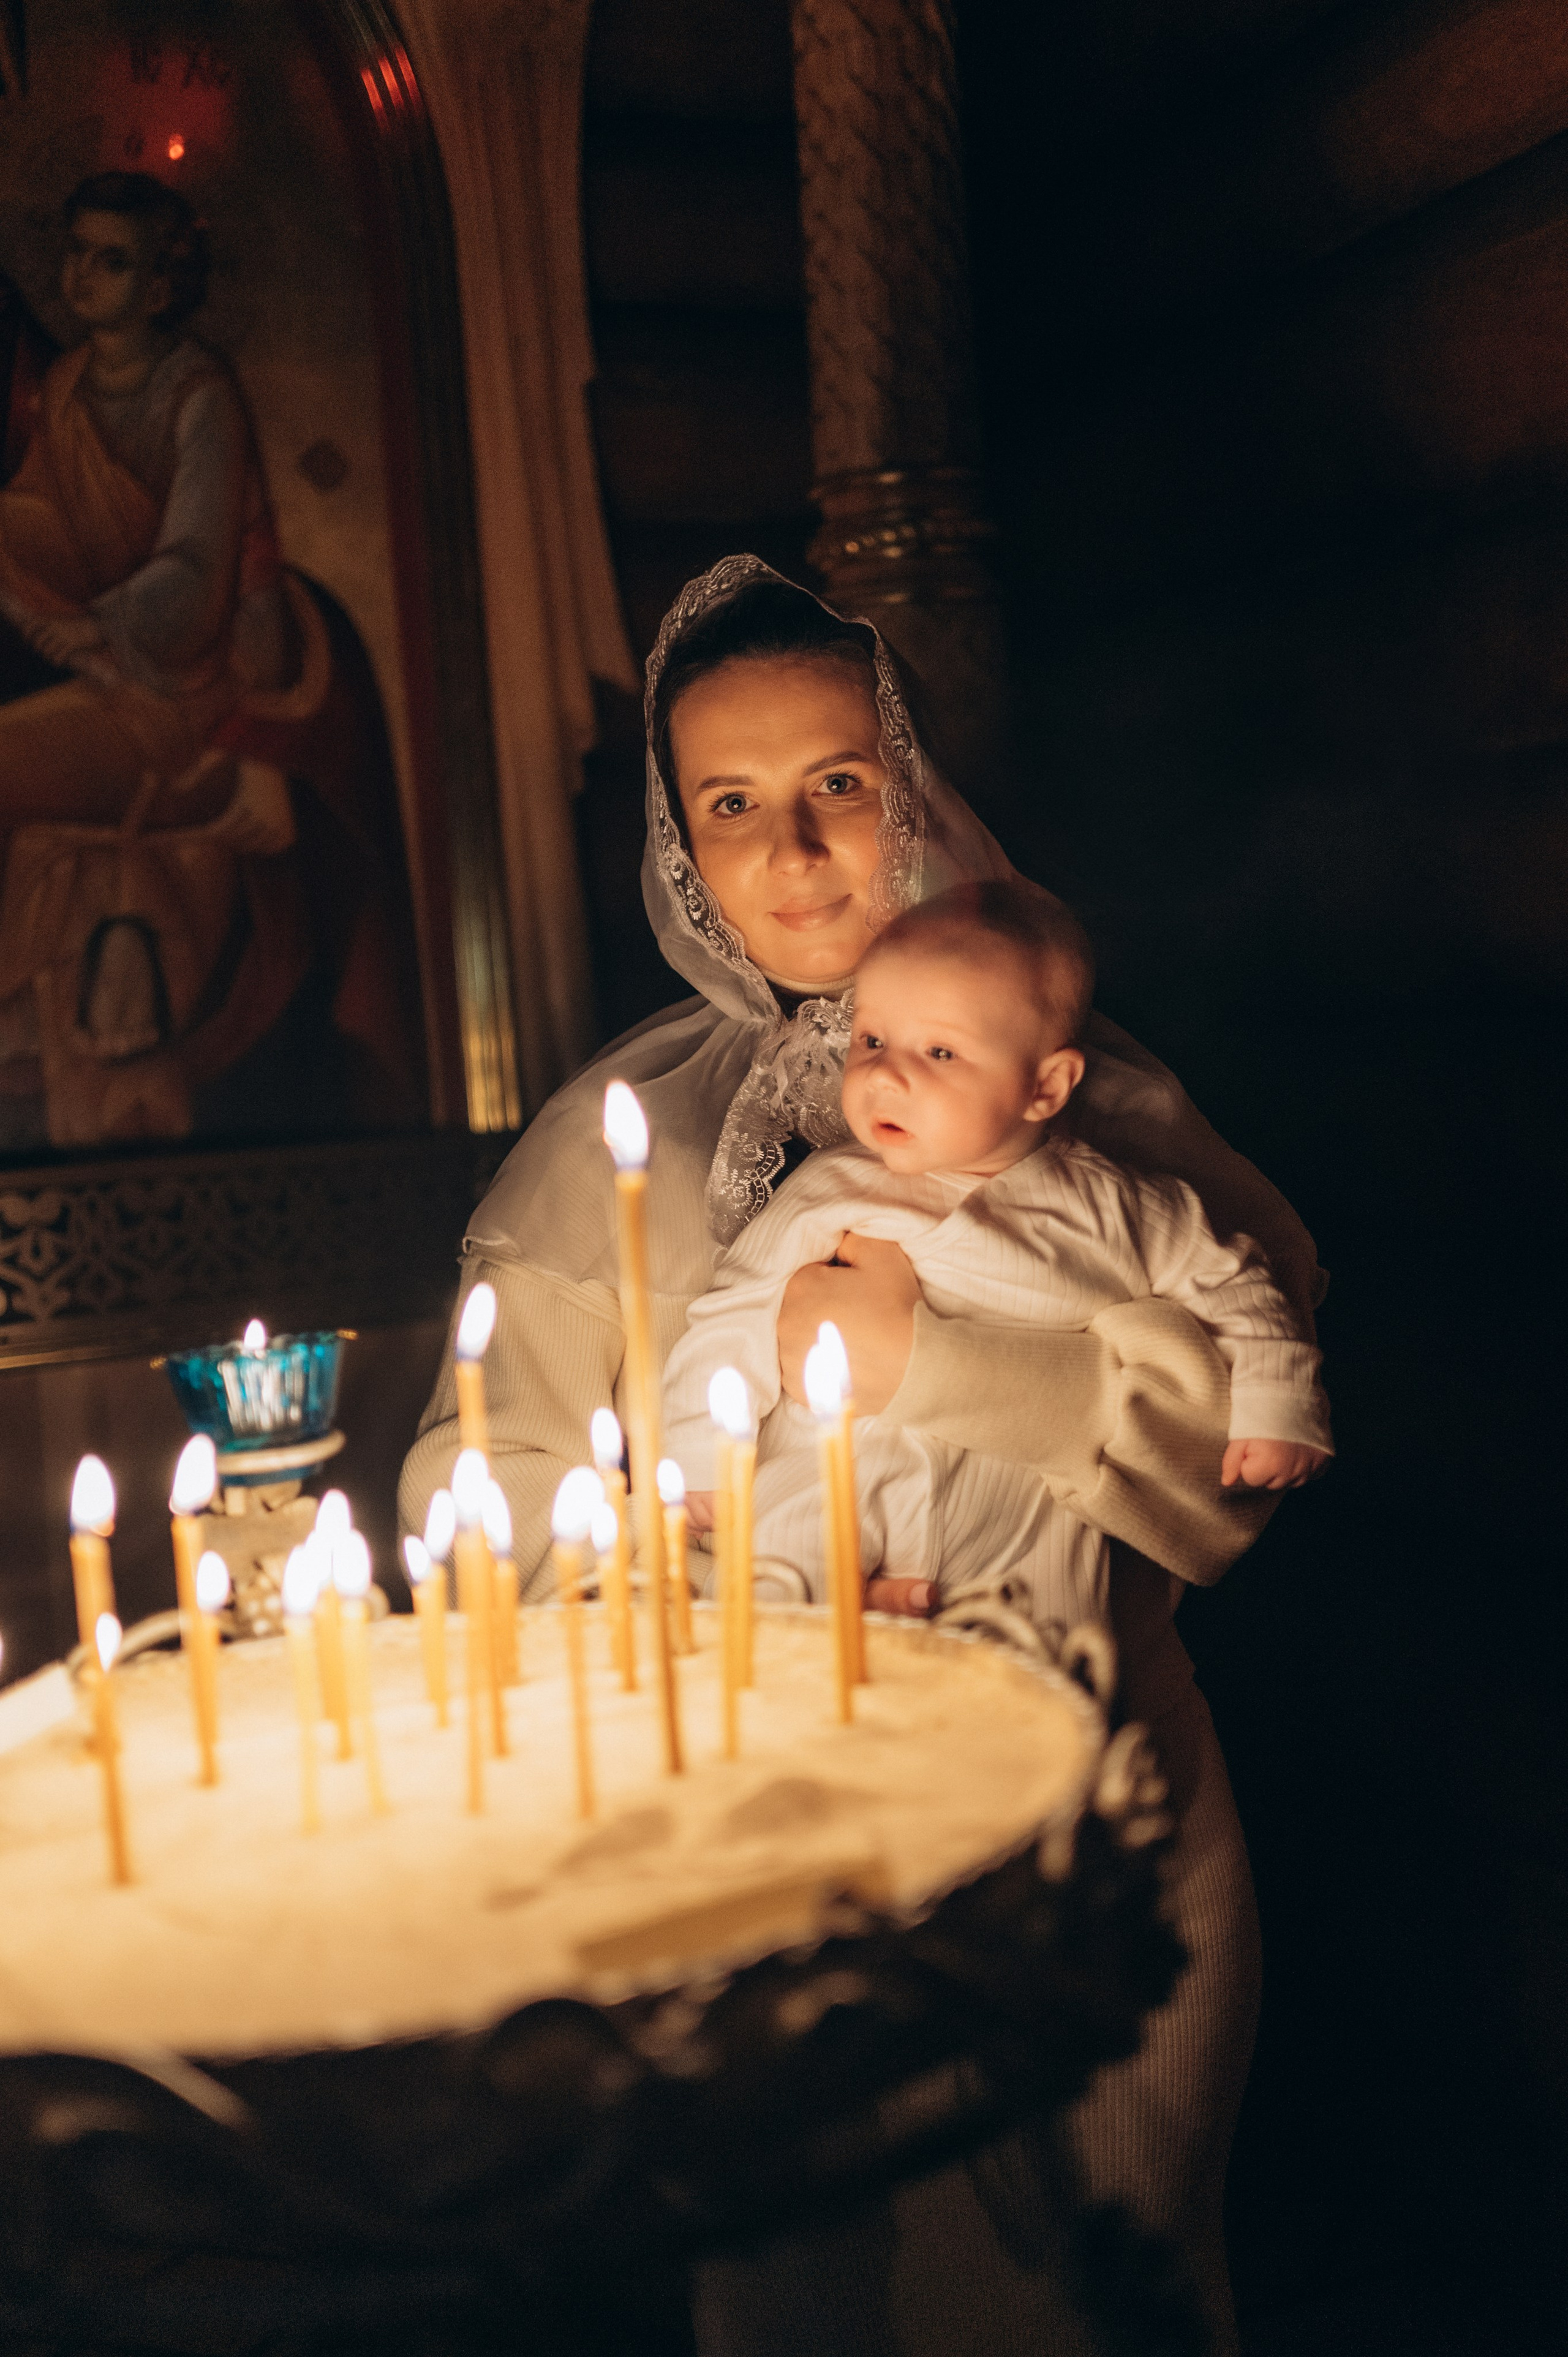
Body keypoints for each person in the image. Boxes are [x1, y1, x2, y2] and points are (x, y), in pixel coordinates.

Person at [401, 556, 1329, 2354]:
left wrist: (944, 1360)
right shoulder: (616, 1135)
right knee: (806, 2296)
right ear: (677, 845)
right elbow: (487, 1479)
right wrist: (691, 1598)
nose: (792, 849)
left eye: (837, 781)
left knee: (1105, 2284)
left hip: (1098, 1805)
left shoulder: (1095, 1104)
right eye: (727, 804)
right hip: (769, 1846)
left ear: (915, 782)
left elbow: (1240, 1462)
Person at [663, 880, 1330, 1638]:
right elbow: (735, 1309)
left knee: (1046, 1672)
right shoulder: (835, 1186)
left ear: (1046, 1085)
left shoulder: (1123, 1207)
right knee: (784, 1640)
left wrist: (1277, 1402)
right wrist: (696, 1451)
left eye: (939, 1051)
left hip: (1015, 1527)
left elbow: (1237, 1283)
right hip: (829, 1490)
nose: (883, 1074)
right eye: (872, 1040)